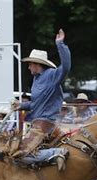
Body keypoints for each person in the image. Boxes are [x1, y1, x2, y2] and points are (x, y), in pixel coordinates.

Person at [10, 28, 70, 169]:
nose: (29, 67)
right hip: (37, 123)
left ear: (37, 64)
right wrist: (21, 106)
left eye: (30, 64)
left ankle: (58, 152)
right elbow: (37, 103)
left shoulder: (52, 75)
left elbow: (66, 67)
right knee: (18, 154)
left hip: (44, 124)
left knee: (22, 155)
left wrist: (60, 44)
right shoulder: (36, 80)